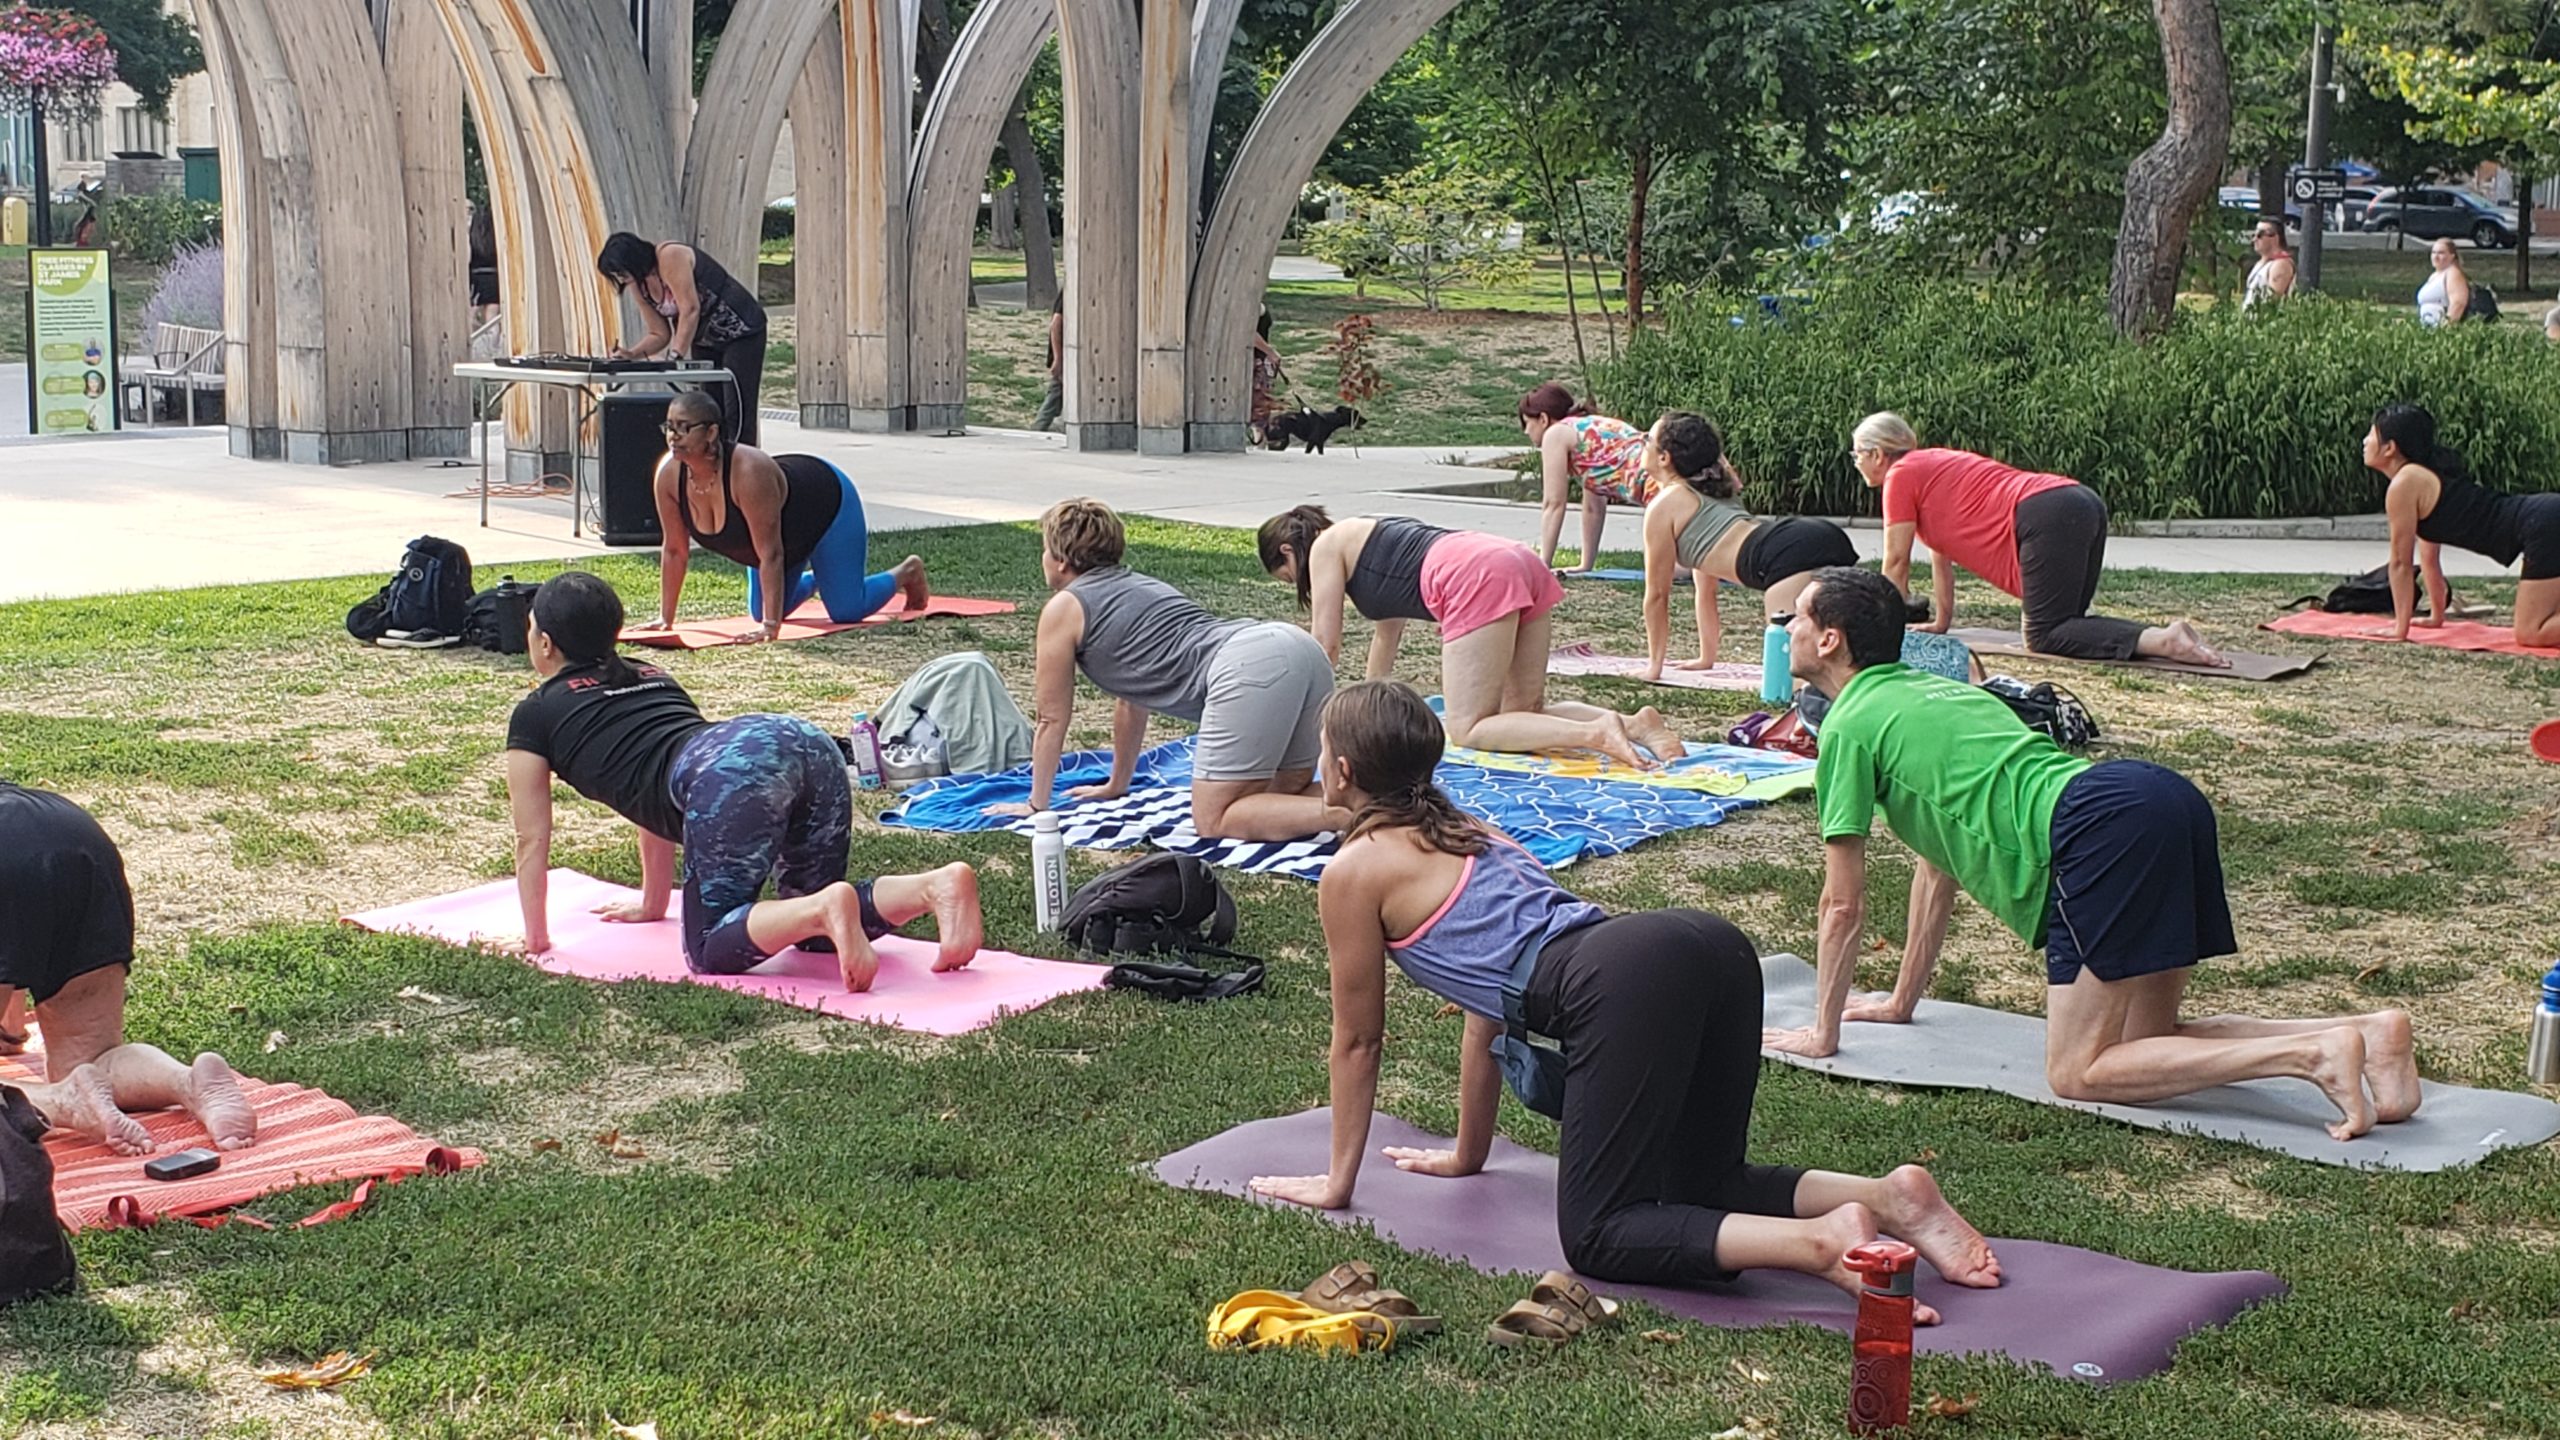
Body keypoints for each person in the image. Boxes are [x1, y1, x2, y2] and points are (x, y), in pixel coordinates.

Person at [1248, 681, 2002, 1315]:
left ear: (1342, 770)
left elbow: (1358, 1041)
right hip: (1707, 948)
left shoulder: (1356, 870)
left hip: (1621, 978)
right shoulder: (1465, 831)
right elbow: (1487, 1007)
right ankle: (1892, 1197)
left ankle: (1823, 1242)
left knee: (1601, 1234)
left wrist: (1337, 1182)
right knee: (1703, 1186)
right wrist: (1467, 1155)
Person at [1764, 567, 2422, 1141]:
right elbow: (1939, 863)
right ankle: (2370, 1034)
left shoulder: (1849, 725)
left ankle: (2316, 1055)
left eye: (1798, 617)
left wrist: (1824, 1033)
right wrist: (1900, 1002)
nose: (1787, 626)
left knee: (2078, 1072)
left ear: (1830, 640)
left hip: (2096, 830)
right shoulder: (1943, 691)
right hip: (2156, 796)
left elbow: (1841, 905)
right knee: (2143, 1045)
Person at [502, 572, 984, 990]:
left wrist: (535, 939)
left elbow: (532, 837)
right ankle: (933, 887)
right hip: (802, 741)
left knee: (710, 945)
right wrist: (652, 903)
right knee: (815, 934)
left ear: (545, 643)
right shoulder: (649, 672)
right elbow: (651, 780)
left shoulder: (537, 713)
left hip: (731, 768)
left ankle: (824, 906)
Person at [989, 498, 1346, 841]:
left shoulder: (1064, 608)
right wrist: (1117, 784)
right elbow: (1132, 699)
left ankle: (1351, 816)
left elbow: (1051, 717)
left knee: (1214, 817)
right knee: (1284, 794)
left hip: (1249, 664)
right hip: (1299, 648)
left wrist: (1037, 805)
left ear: (1061, 560)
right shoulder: (1144, 586)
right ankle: (1372, 800)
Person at [1257, 506, 1683, 767]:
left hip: (1476, 575)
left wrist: (1308, 720)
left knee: (1468, 727)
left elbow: (1325, 645)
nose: (1299, 584)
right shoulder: (1368, 532)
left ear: (1288, 551)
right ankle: (1635, 725)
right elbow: (1387, 638)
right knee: (1523, 711)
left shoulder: (1326, 546)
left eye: (1288, 577)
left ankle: (1597, 734)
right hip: (1514, 559)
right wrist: (1368, 716)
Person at [0, 783, 257, 1157]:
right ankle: (188, 1082)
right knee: (93, 1056)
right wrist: (10, 1030)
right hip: (72, 834)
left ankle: (63, 1102)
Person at [1850, 412, 2225, 666]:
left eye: (1857, 455)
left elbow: (1895, 562)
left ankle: (2165, 641)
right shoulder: (1931, 463)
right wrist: (1941, 622)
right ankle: (2166, 637)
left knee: (2045, 634)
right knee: (2068, 626)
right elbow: (1940, 555)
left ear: (1877, 454)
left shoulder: (1900, 476)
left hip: (2046, 514)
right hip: (2077, 501)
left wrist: (1886, 636)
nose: (1856, 463)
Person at [639, 390, 928, 642]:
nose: (673, 436)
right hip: (781, 535)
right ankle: (822, 577)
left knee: (846, 610)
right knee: (759, 610)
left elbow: (772, 554)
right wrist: (666, 618)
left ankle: (907, 571)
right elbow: (675, 549)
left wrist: (771, 627)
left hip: (826, 502)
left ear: (711, 433)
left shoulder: (748, 472)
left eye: (684, 428)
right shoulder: (668, 474)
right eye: (669, 427)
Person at [1639, 410, 1861, 678]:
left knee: (1788, 677)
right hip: (1810, 537)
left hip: (1781, 553)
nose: (1642, 442)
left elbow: (1657, 594)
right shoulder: (1713, 488)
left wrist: (1654, 667)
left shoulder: (1664, 506)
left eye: (1648, 439)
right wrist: (1706, 658)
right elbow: (1705, 589)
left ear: (1664, 457)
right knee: (1839, 647)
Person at [2365, 402, 2560, 648]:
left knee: (2531, 633)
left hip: (2542, 524)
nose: (2364, 442)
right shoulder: (2422, 476)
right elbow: (2429, 560)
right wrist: (2436, 616)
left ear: (2390, 448)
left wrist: (2399, 630)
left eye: (2371, 435)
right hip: (2544, 517)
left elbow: (2400, 563)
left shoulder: (2405, 484)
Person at [597, 230, 769, 446]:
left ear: (633, 260)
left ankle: (743, 461)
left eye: (621, 272)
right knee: (708, 411)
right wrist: (631, 354)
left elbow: (690, 308)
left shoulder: (670, 255)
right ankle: (712, 461)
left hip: (741, 331)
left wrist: (675, 356)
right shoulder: (637, 285)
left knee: (737, 409)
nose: (621, 279)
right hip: (705, 339)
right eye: (617, 276)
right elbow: (659, 333)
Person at [1519, 383, 1652, 572]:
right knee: (1675, 561)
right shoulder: (1586, 428)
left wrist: (1543, 565)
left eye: (1527, 423)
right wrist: (1585, 566)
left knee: (1667, 567)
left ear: (1543, 419)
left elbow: (1554, 503)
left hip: (1656, 483)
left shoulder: (1555, 434)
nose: (1526, 431)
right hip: (1667, 476)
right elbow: (1593, 508)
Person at [1249, 310, 1285, 446]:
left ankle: (1260, 438)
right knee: (1260, 401)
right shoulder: (1249, 306)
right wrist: (1270, 352)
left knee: (1261, 401)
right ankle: (1259, 439)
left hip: (1260, 358)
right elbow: (1249, 333)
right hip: (1256, 358)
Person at [2417, 239, 2469, 328]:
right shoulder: (2434, 275)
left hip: (2440, 328)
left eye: (2441, 253)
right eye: (2433, 253)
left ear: (2452, 256)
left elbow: (2458, 303)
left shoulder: (2453, 273)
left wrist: (2446, 327)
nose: (2436, 256)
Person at [2243, 220, 2295, 309]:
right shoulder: (2262, 262)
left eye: (2260, 235)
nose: (2254, 239)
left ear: (2275, 238)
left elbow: (2272, 303)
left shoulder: (2281, 264)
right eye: (2254, 235)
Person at [1032, 292, 1065, 432]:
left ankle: (1041, 428)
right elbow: (1056, 323)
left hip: (1067, 355)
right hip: (1065, 356)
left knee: (1056, 396)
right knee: (1054, 397)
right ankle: (1038, 430)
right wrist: (1058, 358)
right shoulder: (1069, 292)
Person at [468, 203, 502, 327]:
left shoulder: (473, 237)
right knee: (492, 319)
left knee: (471, 315)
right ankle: (490, 338)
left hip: (476, 277)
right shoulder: (495, 238)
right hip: (494, 276)